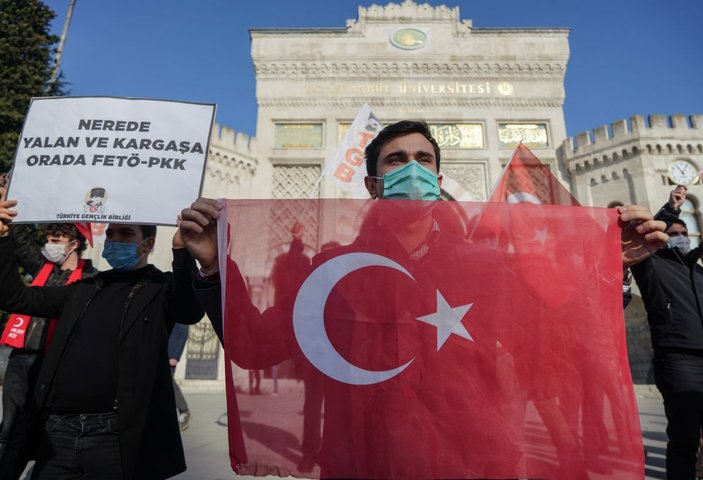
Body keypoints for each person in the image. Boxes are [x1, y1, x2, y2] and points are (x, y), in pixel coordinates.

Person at [180, 121, 668, 476]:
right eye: (396, 160)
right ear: (373, 184)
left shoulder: (485, 266)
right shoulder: (334, 273)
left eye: (424, 160)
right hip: (365, 462)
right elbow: (257, 346)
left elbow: (554, 340)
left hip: (472, 461)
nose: (412, 170)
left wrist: (613, 269)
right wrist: (215, 268)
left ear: (438, 179)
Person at [0, 198, 204, 480]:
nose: (115, 240)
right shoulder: (84, 289)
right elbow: (15, 297)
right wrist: (2, 237)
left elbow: (189, 309)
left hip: (114, 438)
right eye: (110, 234)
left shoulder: (160, 288)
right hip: (59, 433)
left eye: (125, 234)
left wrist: (182, 253)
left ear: (148, 244)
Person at [0, 221, 97, 480]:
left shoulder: (90, 280)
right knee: (11, 430)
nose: (50, 245)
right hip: (23, 358)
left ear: (74, 244)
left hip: (58, 364)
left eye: (57, 240)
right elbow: (19, 240)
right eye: (50, 239)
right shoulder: (42, 268)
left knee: (48, 432)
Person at [631, 185, 703, 479]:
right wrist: (671, 208)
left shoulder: (698, 272)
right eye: (672, 234)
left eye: (684, 233)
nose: (680, 238)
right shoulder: (651, 264)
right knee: (684, 439)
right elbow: (642, 237)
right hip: (678, 360)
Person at [168, 323, 191, 432]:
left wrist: (175, 356)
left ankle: (184, 411)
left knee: (169, 382)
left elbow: (183, 332)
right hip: (165, 352)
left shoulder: (180, 317)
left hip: (170, 355)